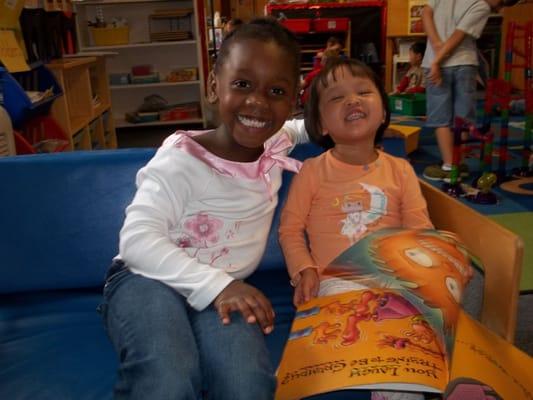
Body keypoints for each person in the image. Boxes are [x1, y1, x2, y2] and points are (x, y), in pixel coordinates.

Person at [99, 18, 307, 400]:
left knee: (247, 384)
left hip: (222, 292)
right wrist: (219, 285)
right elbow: (136, 242)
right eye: (242, 84)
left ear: (293, 99)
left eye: (276, 91)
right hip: (147, 279)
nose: (258, 102)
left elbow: (306, 127)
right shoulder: (181, 160)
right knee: (168, 375)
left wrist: (356, 119)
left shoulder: (277, 142)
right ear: (214, 86)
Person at [279, 58, 434, 400]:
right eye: (337, 98)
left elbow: (420, 228)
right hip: (337, 280)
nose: (352, 100)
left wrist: (425, 269)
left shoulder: (401, 169)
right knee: (382, 331)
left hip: (394, 275)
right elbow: (289, 229)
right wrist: (303, 270)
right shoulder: (312, 171)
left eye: (364, 91)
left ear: (382, 110)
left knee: (450, 299)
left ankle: (442, 374)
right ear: (320, 123)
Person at [421, 0, 520, 181]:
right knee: (462, 117)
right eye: (501, 3)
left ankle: (450, 164)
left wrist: (436, 49)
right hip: (463, 63)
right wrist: (438, 58)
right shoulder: (481, 5)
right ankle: (456, 164)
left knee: (442, 117)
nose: (499, 8)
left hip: (436, 61)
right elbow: (458, 36)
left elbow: (425, 12)